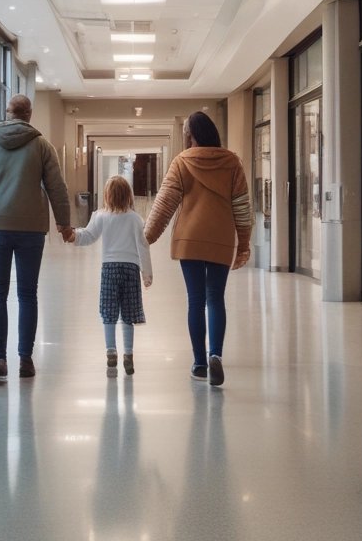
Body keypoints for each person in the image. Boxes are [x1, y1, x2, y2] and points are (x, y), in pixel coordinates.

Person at [0, 94, 73, 381]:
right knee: (28, 294)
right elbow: (57, 188)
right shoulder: (42, 146)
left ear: (8, 113)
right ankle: (26, 359)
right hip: (31, 230)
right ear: (29, 115)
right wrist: (64, 224)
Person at [144, 111, 252, 387]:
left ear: (190, 135)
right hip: (221, 238)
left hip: (189, 239)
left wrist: (146, 238)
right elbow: (241, 207)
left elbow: (165, 203)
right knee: (216, 298)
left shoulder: (182, 162)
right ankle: (216, 353)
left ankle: (200, 363)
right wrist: (244, 243)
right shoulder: (232, 163)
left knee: (195, 300)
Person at [68, 175, 152, 376]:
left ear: (107, 196)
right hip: (130, 270)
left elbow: (88, 236)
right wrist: (147, 273)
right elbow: (143, 246)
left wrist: (73, 236)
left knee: (108, 312)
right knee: (128, 315)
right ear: (129, 196)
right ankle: (128, 355)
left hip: (109, 269)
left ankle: (111, 351)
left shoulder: (101, 216)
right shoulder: (136, 219)